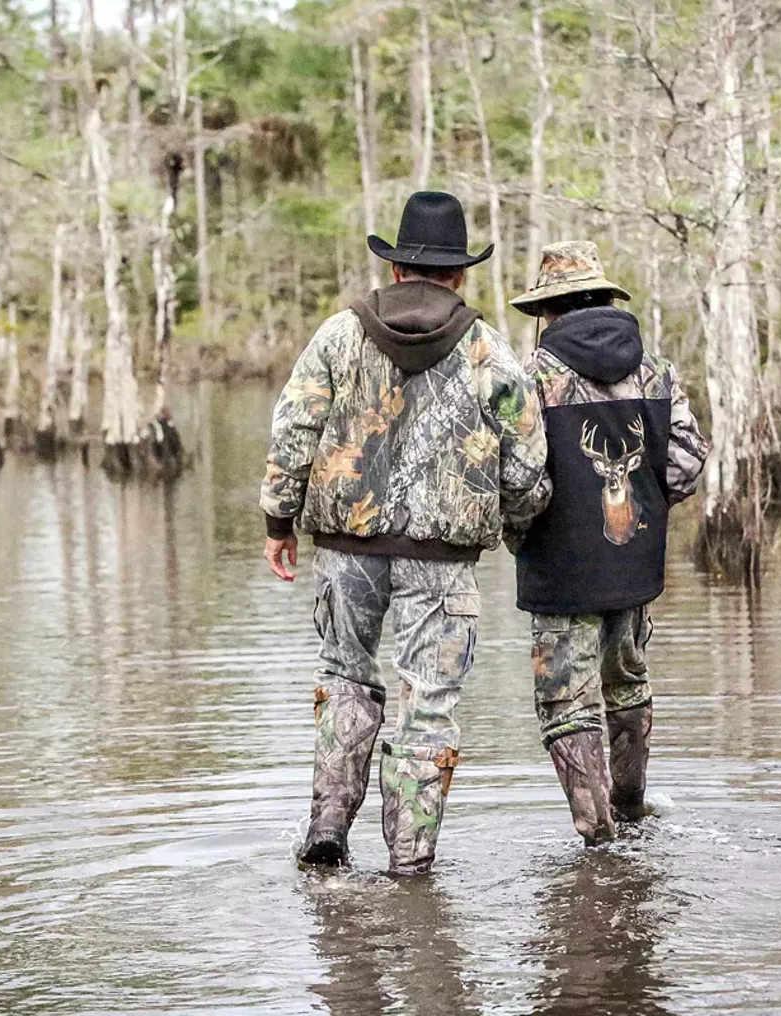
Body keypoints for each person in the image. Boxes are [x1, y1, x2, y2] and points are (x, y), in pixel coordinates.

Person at [261, 191, 550, 874]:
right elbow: (528, 462)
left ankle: (328, 829)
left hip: (346, 551)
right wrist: (518, 522)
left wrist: (279, 519)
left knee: (344, 676)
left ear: (395, 269)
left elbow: (293, 429)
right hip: (442, 562)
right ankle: (411, 863)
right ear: (459, 274)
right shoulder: (487, 349)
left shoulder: (338, 335)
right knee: (429, 704)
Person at [506, 241, 708, 845]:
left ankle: (597, 838)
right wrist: (645, 508)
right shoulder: (657, 371)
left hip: (560, 574)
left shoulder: (532, 378)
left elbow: (520, 481)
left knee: (566, 702)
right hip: (633, 567)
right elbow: (688, 463)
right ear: (604, 300)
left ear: (548, 310)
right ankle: (631, 810)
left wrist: (528, 531)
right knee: (628, 682)